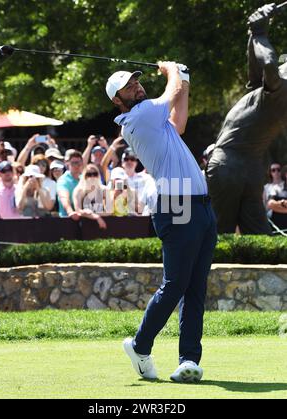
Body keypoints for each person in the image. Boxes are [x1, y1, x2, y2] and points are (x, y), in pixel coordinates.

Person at [106, 62, 217, 383]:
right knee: (176, 284)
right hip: (177, 201)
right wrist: (171, 72)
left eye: (137, 83)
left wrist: (185, 78)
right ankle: (140, 345)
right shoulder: (139, 116)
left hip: (200, 204)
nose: (137, 88)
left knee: (195, 288)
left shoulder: (155, 119)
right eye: (129, 87)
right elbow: (171, 94)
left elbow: (179, 122)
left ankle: (188, 361)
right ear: (118, 100)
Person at [206, 3, 287, 235]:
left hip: (230, 164)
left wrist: (260, 33)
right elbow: (256, 74)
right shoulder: (267, 91)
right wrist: (254, 32)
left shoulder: (281, 89)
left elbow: (269, 64)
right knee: (257, 237)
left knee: (219, 235)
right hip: (248, 167)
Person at [73, 164, 107, 229]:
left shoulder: (104, 190)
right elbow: (78, 210)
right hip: (84, 225)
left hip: (103, 224)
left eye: (95, 174)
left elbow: (110, 211)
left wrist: (94, 214)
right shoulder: (78, 191)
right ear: (84, 176)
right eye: (89, 174)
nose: (92, 177)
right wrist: (95, 216)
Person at [56, 150, 83, 219]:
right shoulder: (63, 180)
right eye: (74, 163)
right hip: (67, 219)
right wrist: (70, 212)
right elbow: (64, 197)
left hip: (84, 219)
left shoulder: (84, 179)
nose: (76, 165)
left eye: (79, 163)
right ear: (68, 164)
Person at [266, 164, 287, 230]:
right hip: (276, 225)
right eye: (273, 170)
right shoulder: (274, 188)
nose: (276, 172)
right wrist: (283, 203)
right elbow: (270, 204)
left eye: (278, 170)